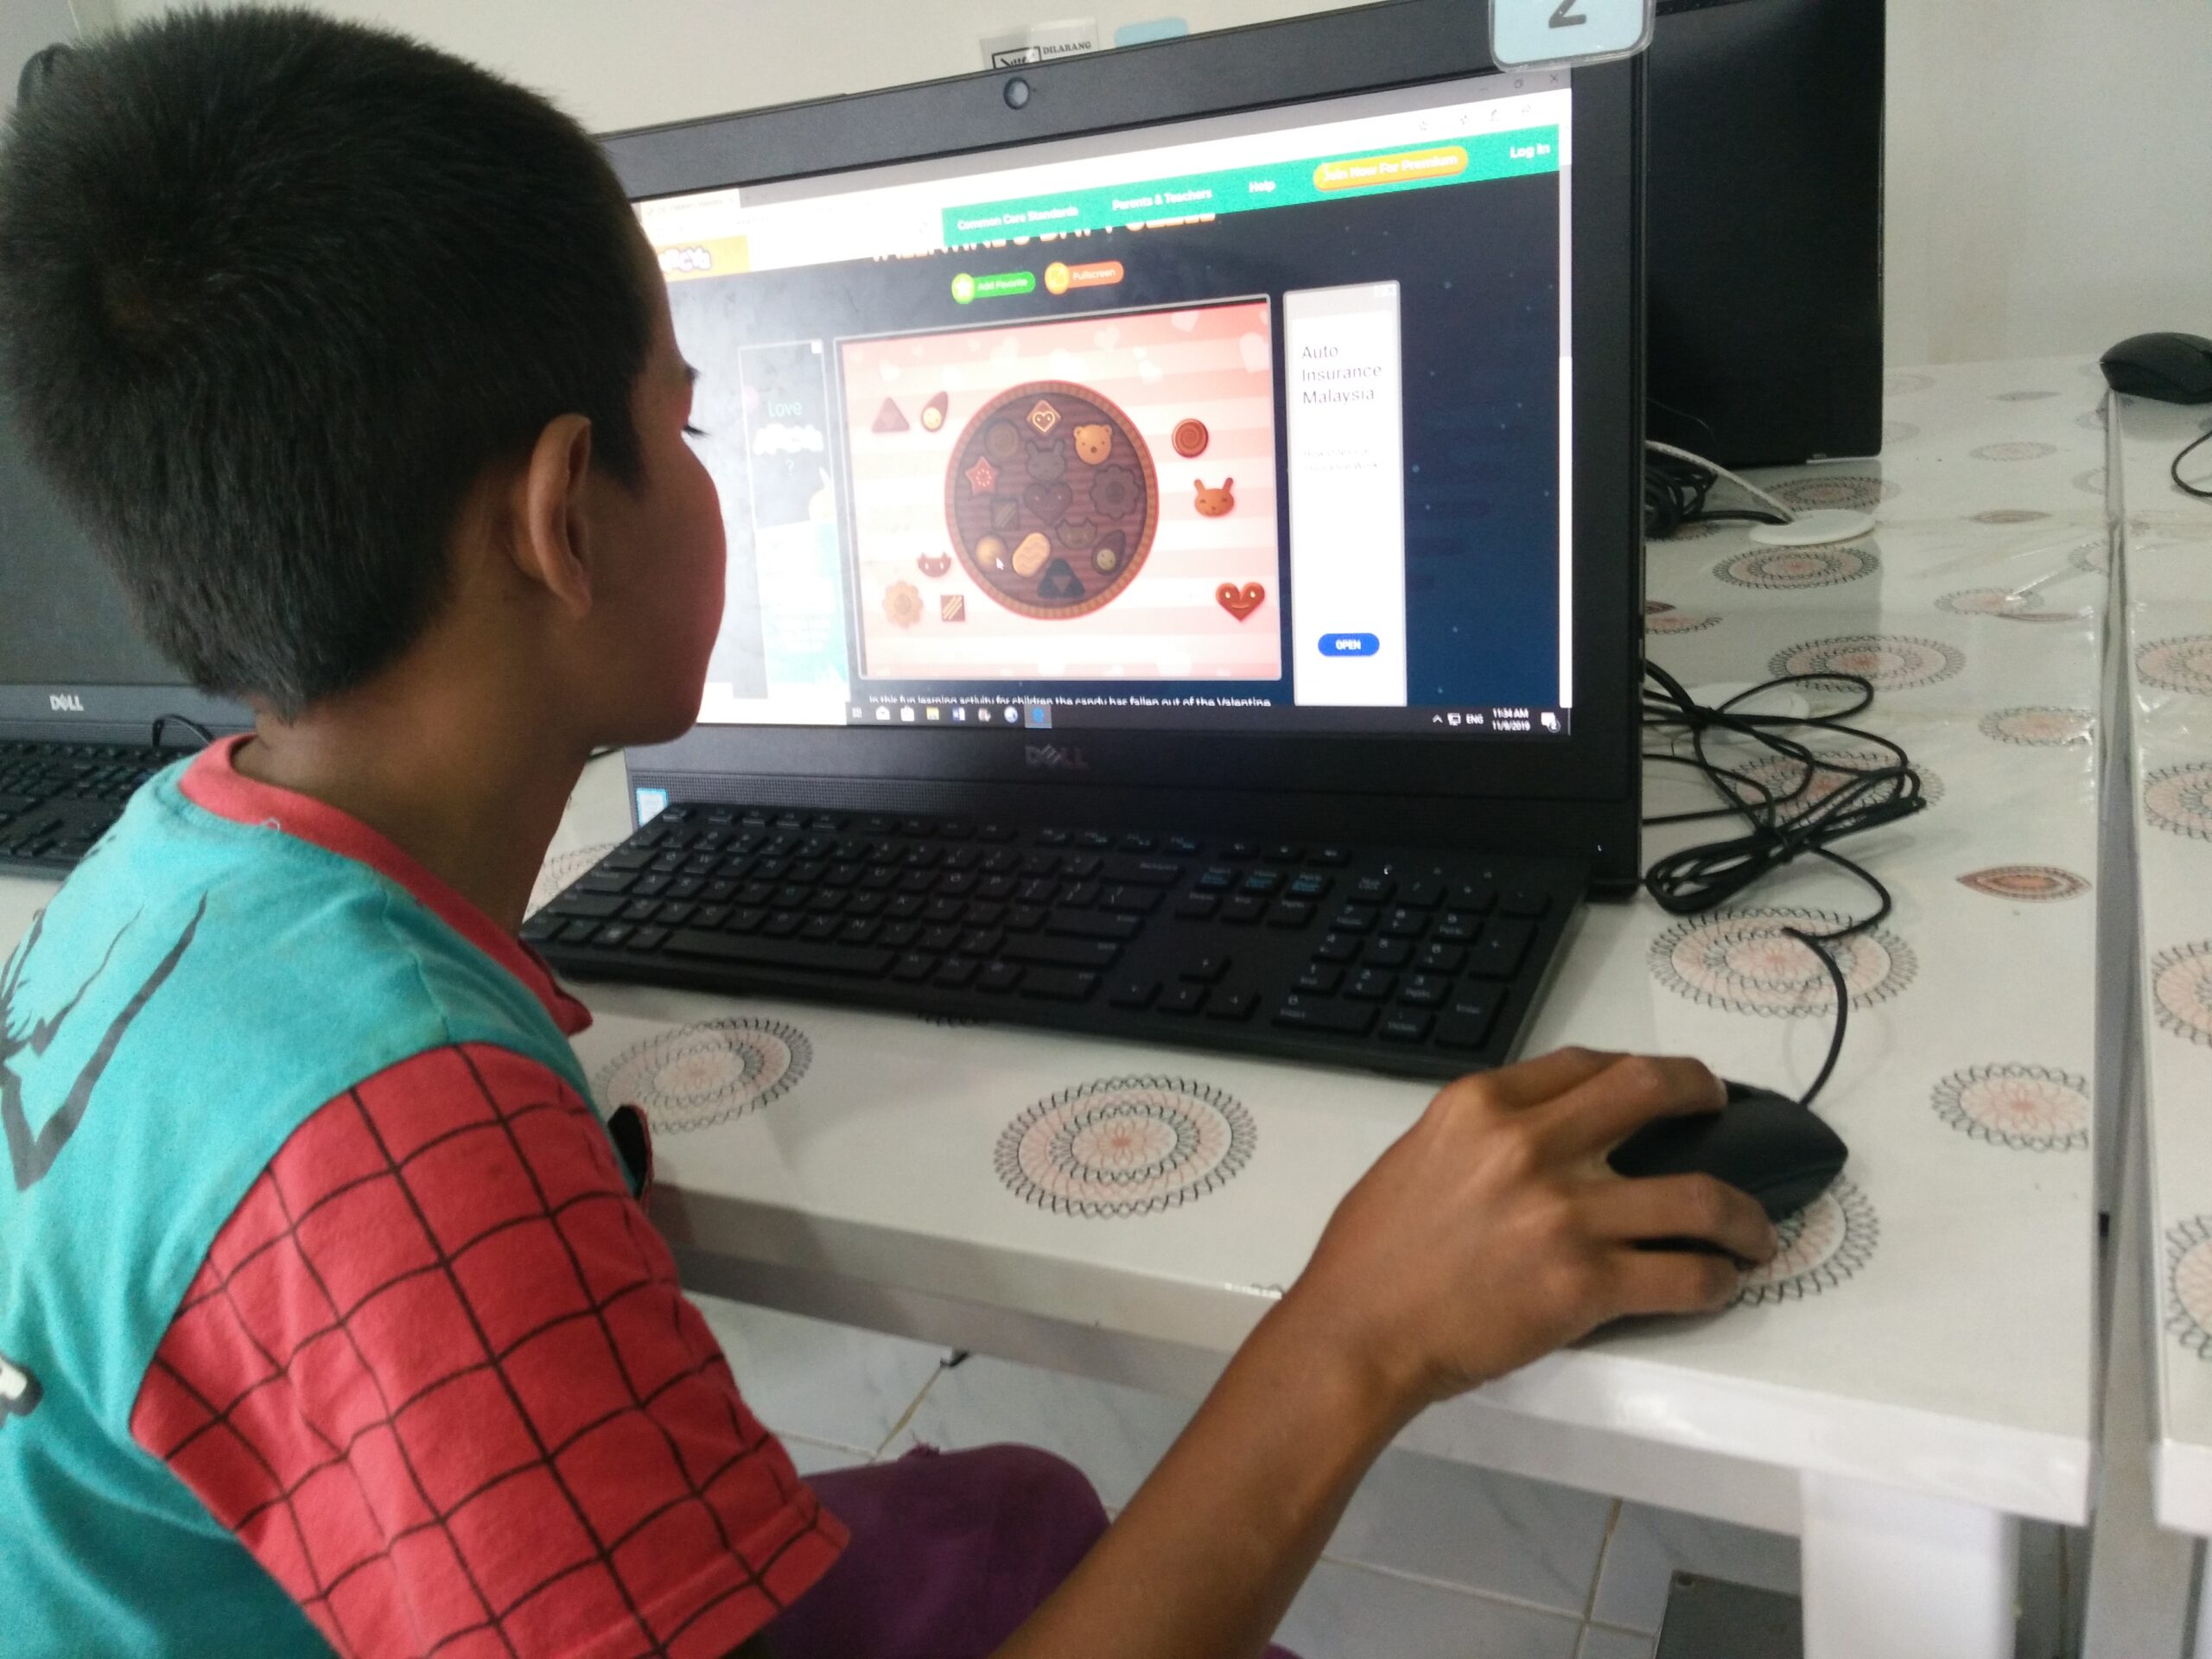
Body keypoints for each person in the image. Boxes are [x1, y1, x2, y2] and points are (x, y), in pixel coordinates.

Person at [0, 11, 1777, 1657]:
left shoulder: (166, 867)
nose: (712, 462)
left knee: (1013, 1507)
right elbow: (392, 1237)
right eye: (685, 418)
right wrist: (1363, 1330)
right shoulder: (404, 1152)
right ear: (563, 520)